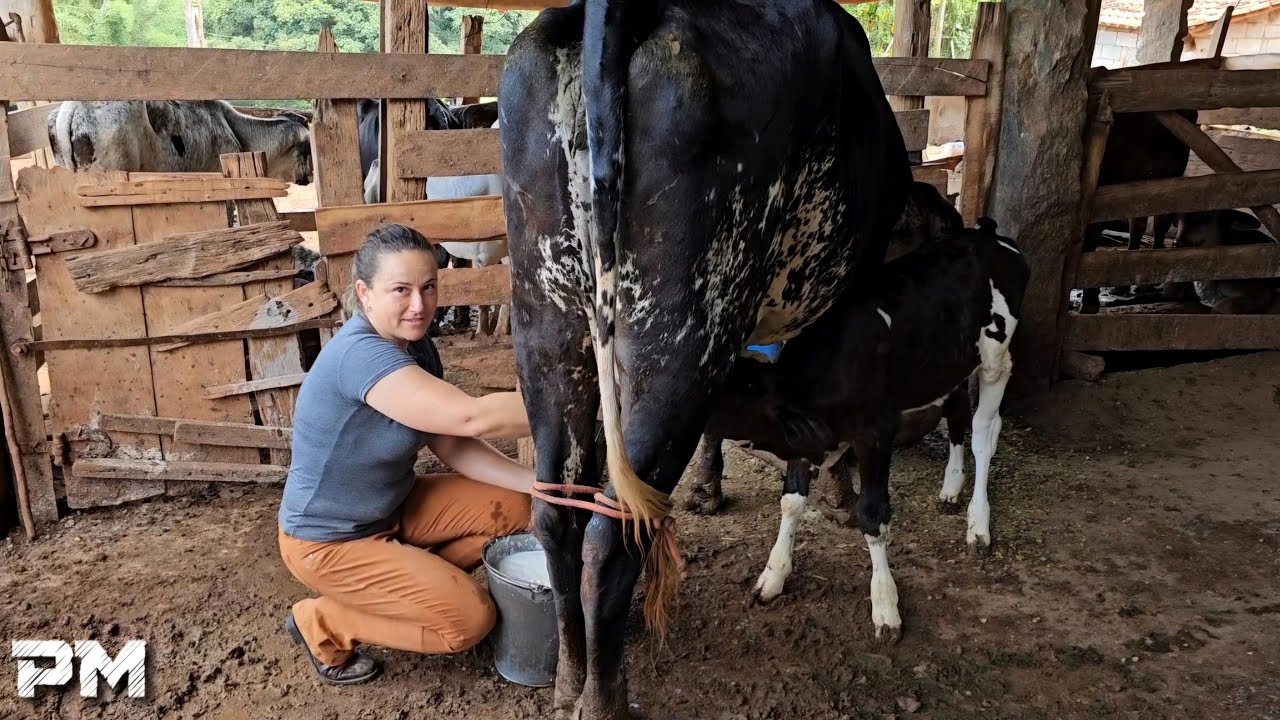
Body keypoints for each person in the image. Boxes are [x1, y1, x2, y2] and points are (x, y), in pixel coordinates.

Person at [277, 223, 534, 685]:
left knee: (518, 506)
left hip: (393, 508)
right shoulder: (361, 355)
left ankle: (414, 582)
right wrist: (587, 404)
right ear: (365, 293)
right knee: (468, 622)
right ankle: (325, 623)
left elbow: (450, 440)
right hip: (329, 541)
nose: (419, 305)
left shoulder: (416, 345)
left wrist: (532, 483)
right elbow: (470, 419)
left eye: (428, 287)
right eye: (401, 290)